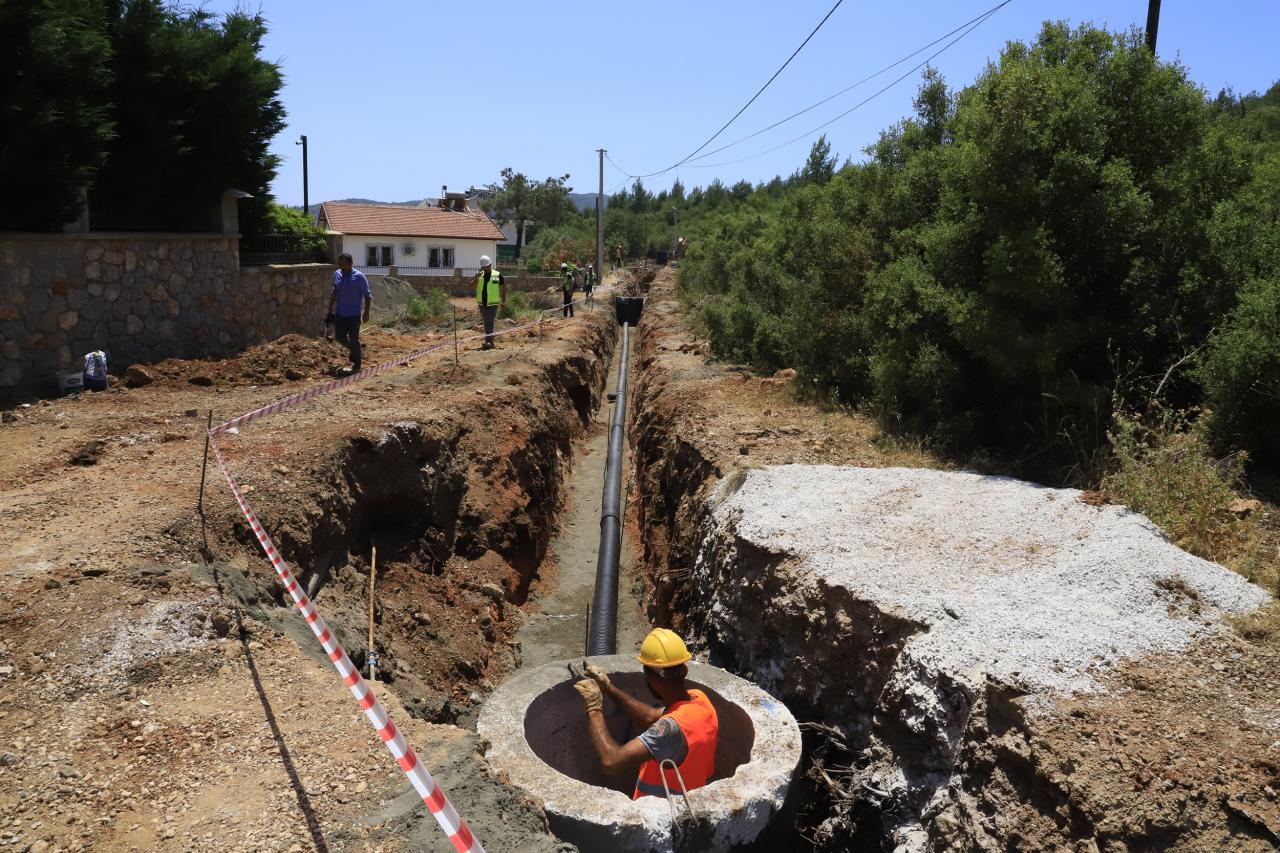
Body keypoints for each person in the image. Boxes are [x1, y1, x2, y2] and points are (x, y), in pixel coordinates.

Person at [573, 628, 719, 800]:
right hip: (689, 808)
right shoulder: (698, 700)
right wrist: (609, 688)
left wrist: (593, 708)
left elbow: (611, 762)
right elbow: (651, 717)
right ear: (684, 671)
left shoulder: (670, 730)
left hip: (661, 819)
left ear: (651, 677)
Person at [327, 252, 371, 373]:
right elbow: (334, 293)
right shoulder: (337, 274)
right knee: (339, 338)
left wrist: (366, 312)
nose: (342, 267)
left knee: (354, 339)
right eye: (340, 265)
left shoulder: (359, 277)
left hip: (354, 316)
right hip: (340, 314)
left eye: (345, 264)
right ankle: (355, 349)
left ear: (351, 264)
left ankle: (357, 365)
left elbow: (367, 296)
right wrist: (330, 309)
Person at [473, 255, 506, 350]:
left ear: (490, 264)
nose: (484, 268)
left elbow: (503, 288)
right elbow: (472, 286)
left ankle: (489, 341)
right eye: (483, 267)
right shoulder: (479, 275)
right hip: (481, 303)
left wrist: (503, 302)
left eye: (486, 266)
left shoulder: (497, 275)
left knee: (489, 321)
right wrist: (476, 278)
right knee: (486, 322)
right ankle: (489, 341)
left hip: (493, 303)